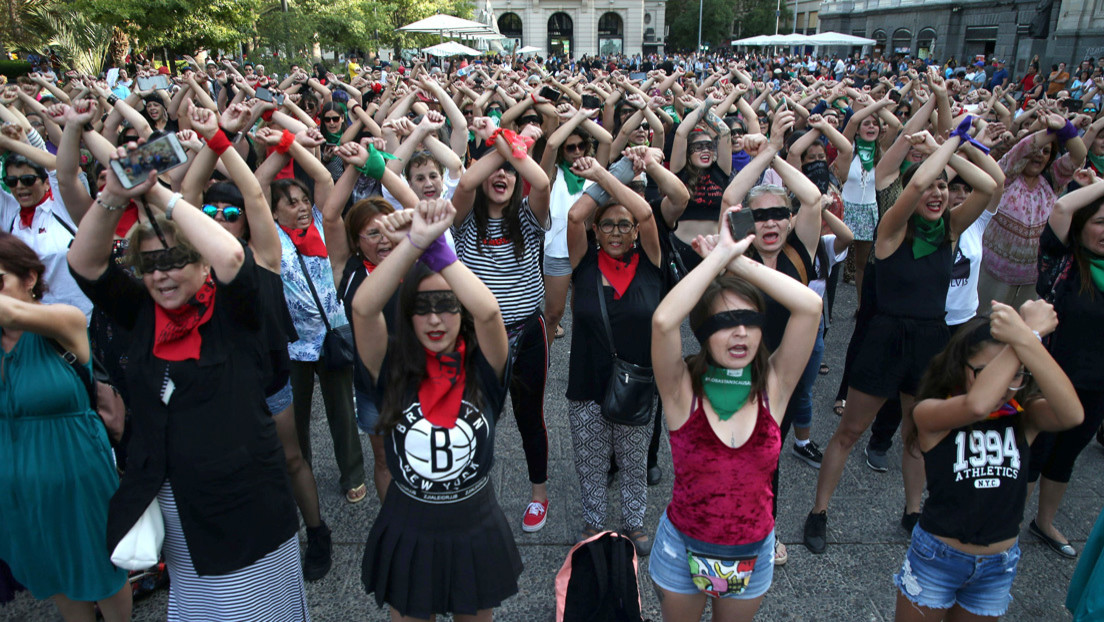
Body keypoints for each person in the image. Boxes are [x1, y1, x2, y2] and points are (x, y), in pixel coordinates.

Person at [67, 147, 308, 621]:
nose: (161, 273)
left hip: (247, 501)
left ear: (203, 267)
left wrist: (156, 191)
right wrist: (116, 194)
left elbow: (234, 254)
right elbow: (86, 264)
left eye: (177, 260)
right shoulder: (141, 313)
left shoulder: (235, 309)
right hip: (180, 505)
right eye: (150, 263)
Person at [805, 128, 999, 554]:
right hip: (886, 336)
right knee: (850, 430)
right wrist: (944, 147)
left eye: (944, 186)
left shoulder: (950, 231)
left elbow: (991, 184)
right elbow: (911, 185)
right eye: (930, 185)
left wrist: (948, 151)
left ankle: (914, 512)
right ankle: (818, 512)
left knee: (918, 433)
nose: (936, 193)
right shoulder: (891, 229)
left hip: (931, 339)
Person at [180, 105, 332, 580]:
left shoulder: (264, 254)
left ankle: (317, 531)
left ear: (245, 221)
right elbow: (186, 191)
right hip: (214, 378)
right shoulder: (189, 257)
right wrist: (216, 135)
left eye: (230, 214)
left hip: (267, 371)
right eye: (211, 213)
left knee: (290, 456)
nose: (222, 219)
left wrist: (222, 137)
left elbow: (253, 191)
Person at [649, 205, 822, 620]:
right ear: (705, 333)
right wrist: (714, 262)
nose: (740, 331)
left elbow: (810, 307)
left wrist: (737, 261)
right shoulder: (681, 391)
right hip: (681, 548)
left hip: (753, 551)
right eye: (725, 322)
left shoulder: (773, 387)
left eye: (749, 319)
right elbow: (663, 322)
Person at [353, 198, 521, 621]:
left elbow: (488, 309)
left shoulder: (485, 368)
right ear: (406, 316)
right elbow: (363, 307)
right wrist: (413, 243)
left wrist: (437, 251)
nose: (435, 319)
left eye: (447, 305)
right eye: (422, 308)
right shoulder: (390, 367)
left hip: (474, 525)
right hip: (409, 527)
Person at [894, 303, 1083, 621]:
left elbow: (1073, 414)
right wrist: (1028, 333)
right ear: (959, 366)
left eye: (1017, 375)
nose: (1005, 386)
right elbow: (978, 404)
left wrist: (1025, 342)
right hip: (938, 557)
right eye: (988, 373)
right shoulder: (931, 412)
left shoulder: (1023, 417)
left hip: (999, 562)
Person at [0, 233, 132, 622]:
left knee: (100, 566)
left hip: (73, 466)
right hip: (15, 478)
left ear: (29, 279)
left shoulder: (64, 320)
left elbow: (11, 314)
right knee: (51, 567)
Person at [256, 126, 368, 505]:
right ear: (272, 211)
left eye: (303, 201)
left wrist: (294, 145)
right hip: (292, 343)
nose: (301, 208)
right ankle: (297, 467)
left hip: (332, 333)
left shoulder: (321, 223)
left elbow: (323, 176)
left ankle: (352, 472)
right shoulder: (269, 236)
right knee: (295, 416)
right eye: (290, 203)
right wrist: (281, 152)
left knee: (341, 410)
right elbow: (257, 185)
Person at [452, 117, 553, 531]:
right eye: (494, 170)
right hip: (476, 336)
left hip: (527, 332)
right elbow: (462, 185)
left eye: (510, 171)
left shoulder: (529, 217)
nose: (502, 176)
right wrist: (499, 147)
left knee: (531, 416)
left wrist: (510, 149)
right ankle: (474, 491)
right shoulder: (463, 220)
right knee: (475, 416)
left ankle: (539, 495)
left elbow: (542, 183)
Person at [563, 155, 663, 555]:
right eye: (607, 224)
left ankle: (634, 522)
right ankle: (593, 521)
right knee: (590, 461)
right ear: (596, 231)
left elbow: (646, 212)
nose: (616, 231)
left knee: (634, 461)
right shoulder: (583, 262)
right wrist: (616, 169)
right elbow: (574, 215)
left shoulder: (651, 264)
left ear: (636, 231)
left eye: (624, 225)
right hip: (587, 380)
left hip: (635, 382)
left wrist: (611, 173)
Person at [1027, 169, 1104, 558]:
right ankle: (1006, 519)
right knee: (1032, 451)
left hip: (1096, 384)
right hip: (1050, 376)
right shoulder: (1063, 261)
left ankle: (1044, 522)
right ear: (1081, 227)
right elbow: (1059, 207)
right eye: (1100, 222)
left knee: (1067, 454)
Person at [979, 113, 1086, 308]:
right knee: (985, 326)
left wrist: (1065, 127)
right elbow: (1021, 149)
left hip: (1031, 278)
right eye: (1036, 150)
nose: (1039, 155)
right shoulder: (1006, 176)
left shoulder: (1052, 181)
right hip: (992, 273)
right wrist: (1050, 131)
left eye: (1046, 152)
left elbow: (1078, 156)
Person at [539, 102, 611, 343]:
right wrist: (574, 118)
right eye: (571, 148)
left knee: (585, 312)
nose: (578, 151)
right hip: (558, 252)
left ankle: (584, 358)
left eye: (581, 146)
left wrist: (581, 119)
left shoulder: (595, 170)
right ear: (563, 152)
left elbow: (608, 139)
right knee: (553, 314)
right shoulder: (553, 174)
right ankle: (543, 365)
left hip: (589, 252)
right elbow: (550, 144)